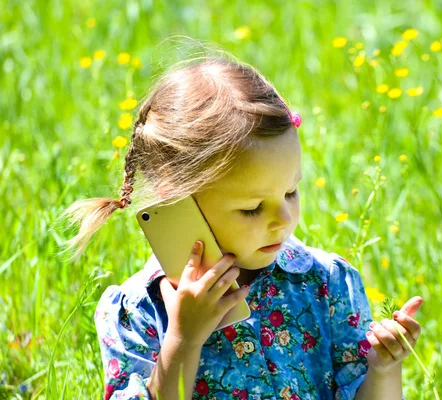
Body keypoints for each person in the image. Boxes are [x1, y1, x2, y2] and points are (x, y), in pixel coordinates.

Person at [60, 46, 422, 400]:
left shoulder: (326, 284)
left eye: (291, 192)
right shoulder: (138, 311)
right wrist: (183, 340)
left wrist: (383, 368)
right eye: (252, 209)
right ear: (177, 199)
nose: (283, 219)